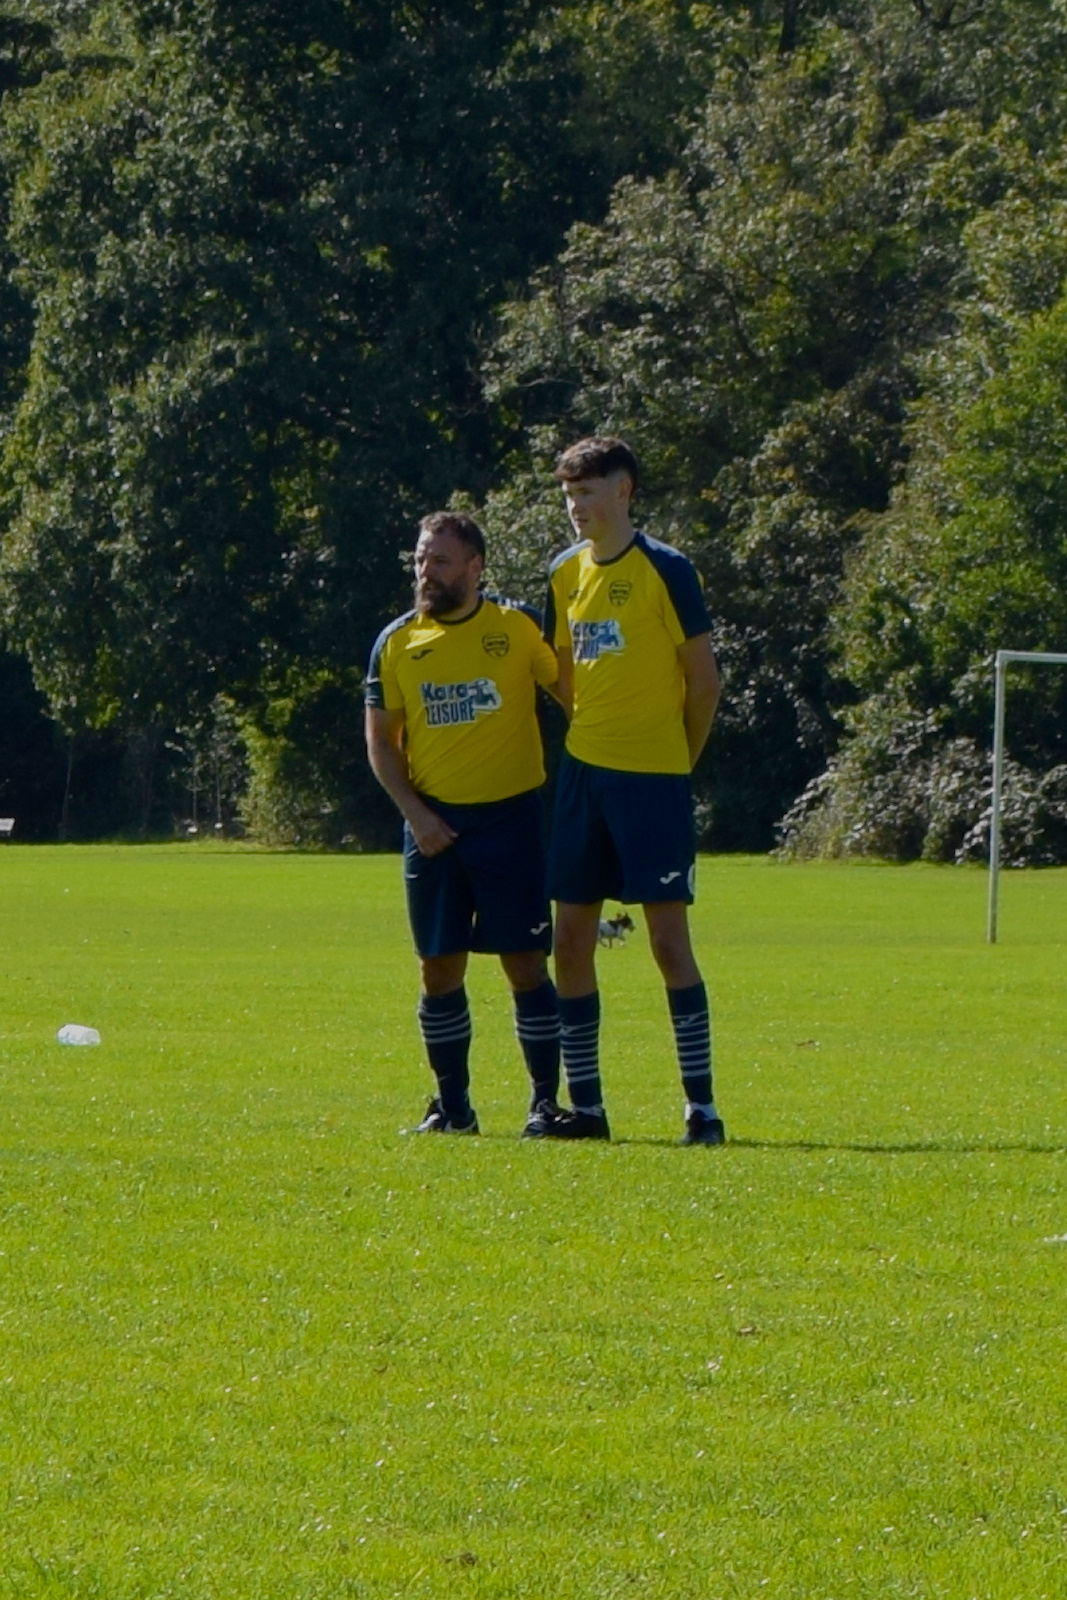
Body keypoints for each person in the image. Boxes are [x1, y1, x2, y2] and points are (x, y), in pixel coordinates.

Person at [527, 436, 725, 1145]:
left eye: (587, 492)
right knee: (571, 940)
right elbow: (561, 674)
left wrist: (675, 760)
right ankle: (587, 1108)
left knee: (668, 943)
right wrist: (590, 731)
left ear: (623, 492)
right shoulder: (561, 574)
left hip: (654, 782)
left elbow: (703, 685)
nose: (575, 506)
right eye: (567, 493)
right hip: (584, 777)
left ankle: (701, 1109)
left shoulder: (666, 571)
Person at [364, 510, 562, 1135]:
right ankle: (454, 1109)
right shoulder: (397, 641)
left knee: (525, 964)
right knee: (438, 968)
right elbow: (382, 744)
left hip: (513, 821)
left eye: (440, 561)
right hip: (434, 830)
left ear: (475, 568)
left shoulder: (519, 626)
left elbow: (578, 696)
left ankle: (544, 1104)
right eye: (421, 558)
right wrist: (417, 817)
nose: (427, 571)